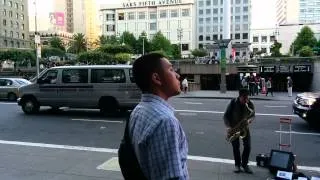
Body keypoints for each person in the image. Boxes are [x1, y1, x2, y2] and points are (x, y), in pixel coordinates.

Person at [128, 53, 189, 179]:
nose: (177, 75)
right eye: (171, 70)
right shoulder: (165, 121)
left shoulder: (138, 110)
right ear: (157, 78)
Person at [224, 88, 255, 174]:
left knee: (248, 146)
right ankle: (237, 165)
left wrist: (250, 120)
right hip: (234, 127)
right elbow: (226, 116)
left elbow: (253, 114)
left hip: (244, 127)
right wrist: (228, 127)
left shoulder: (249, 103)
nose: (246, 100)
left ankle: (244, 164)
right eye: (244, 98)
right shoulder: (233, 103)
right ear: (240, 97)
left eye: (247, 98)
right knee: (236, 147)